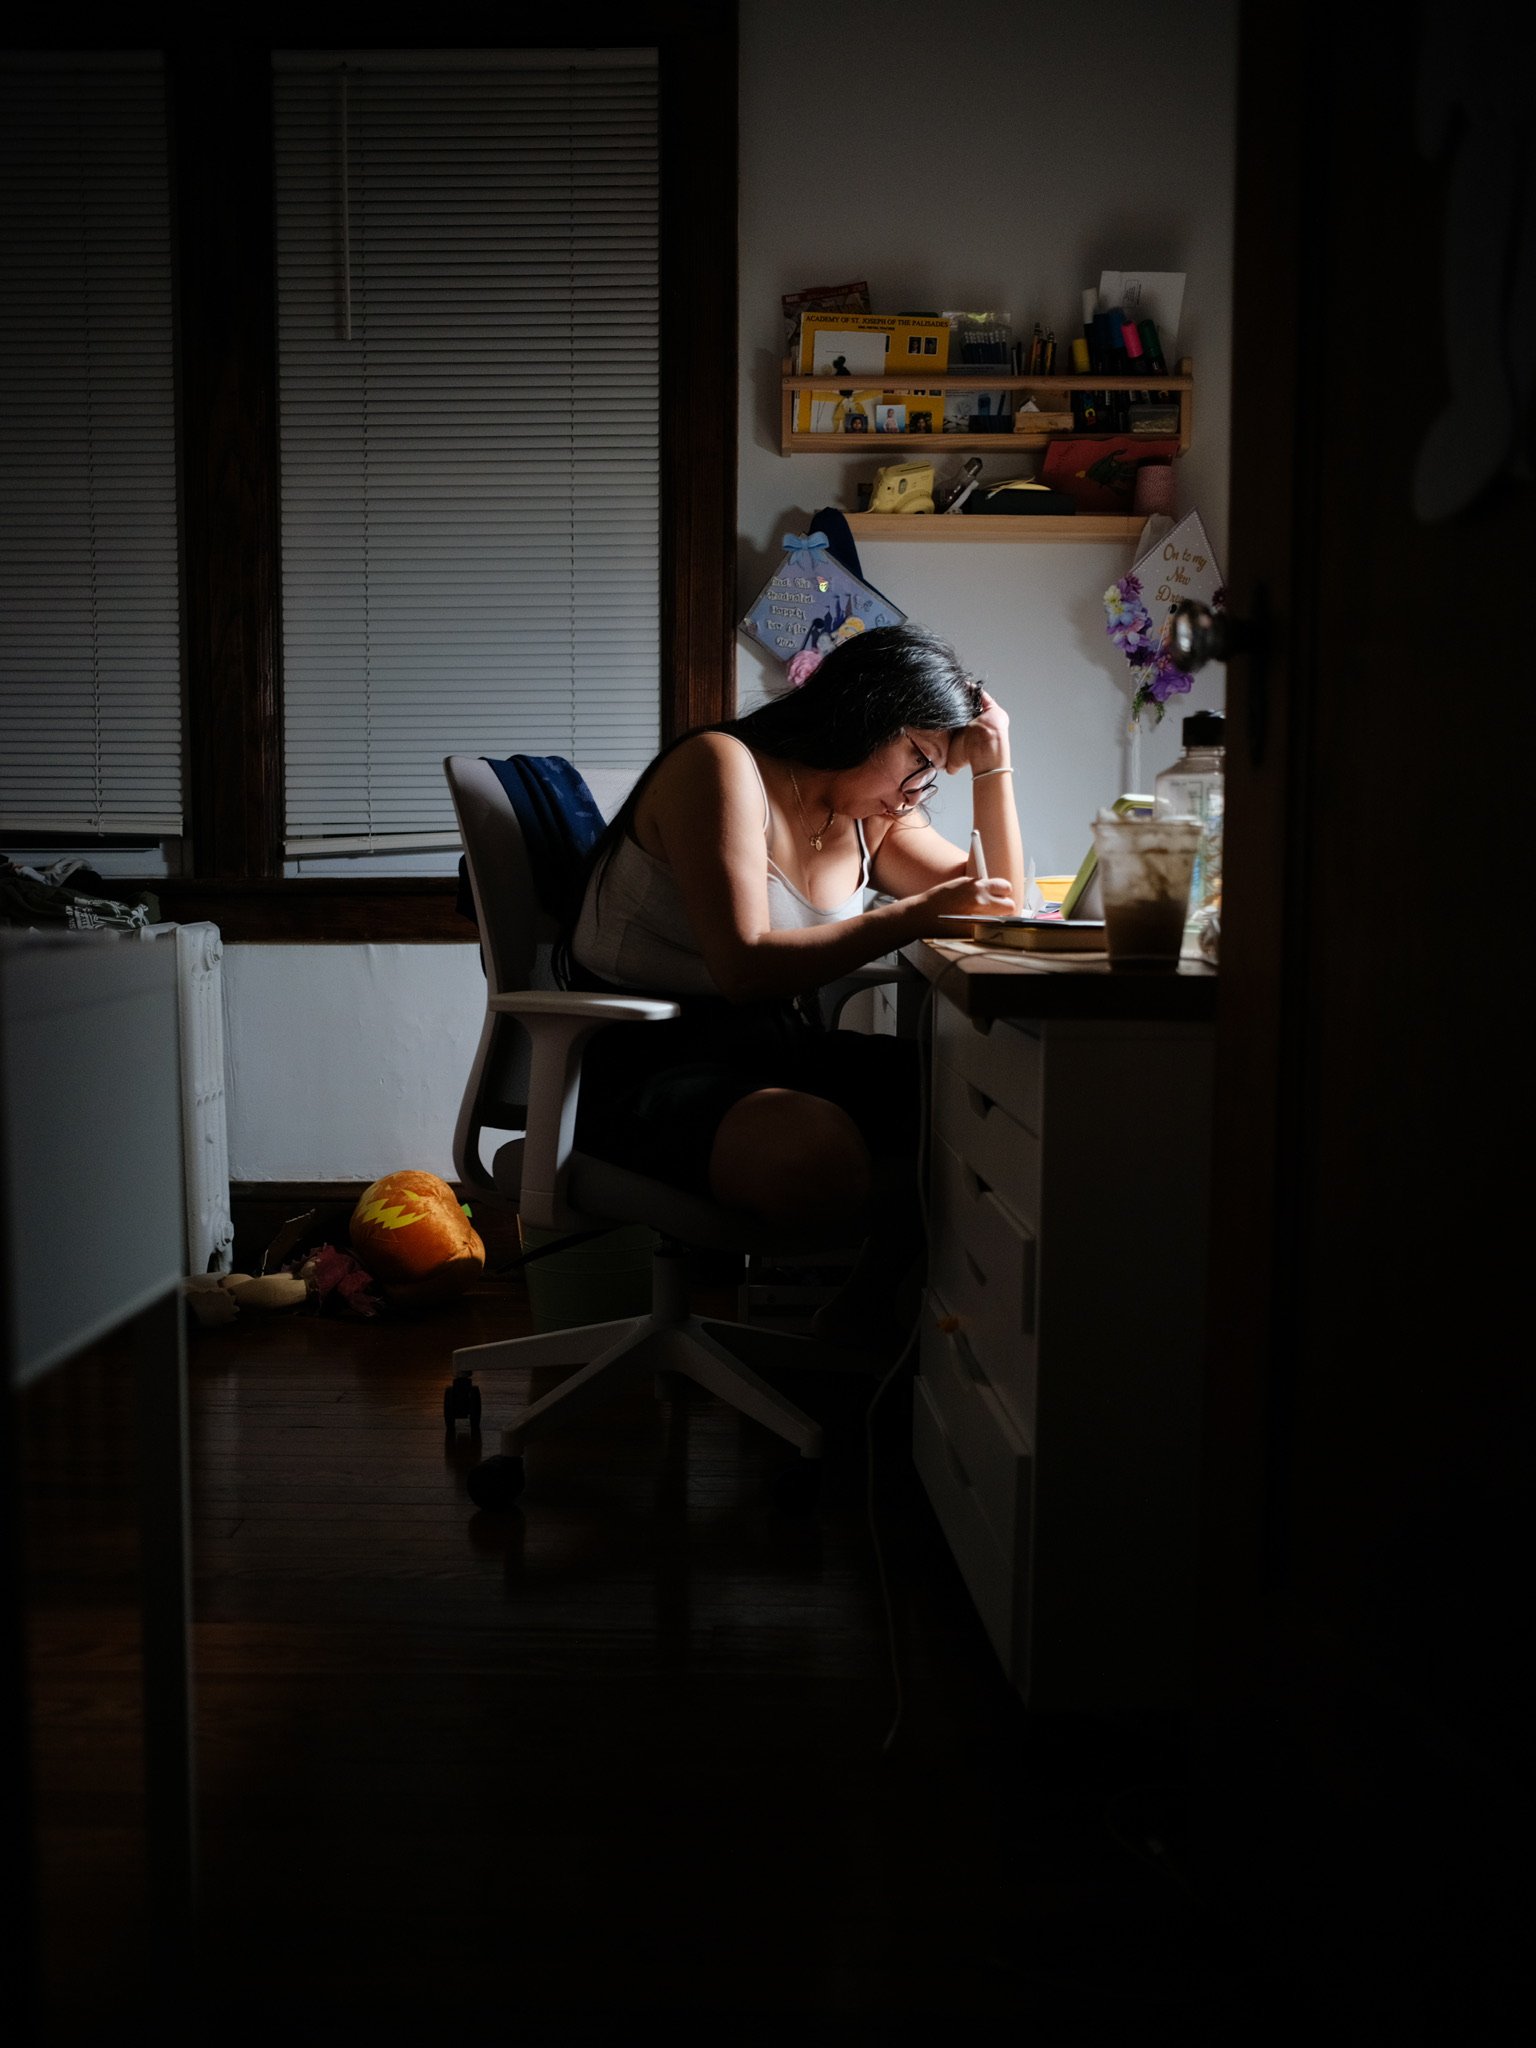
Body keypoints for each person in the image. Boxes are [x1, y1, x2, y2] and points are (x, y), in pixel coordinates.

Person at [563, 623, 1022, 1345]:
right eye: (918, 760)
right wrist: (909, 918)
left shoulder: (872, 814)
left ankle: (864, 1309)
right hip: (645, 1060)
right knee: (818, 1156)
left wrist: (994, 765)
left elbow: (996, 904)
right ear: (867, 716)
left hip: (771, 1047)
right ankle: (872, 1310)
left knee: (988, 1104)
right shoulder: (721, 766)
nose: (914, 795)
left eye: (930, 773)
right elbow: (744, 968)